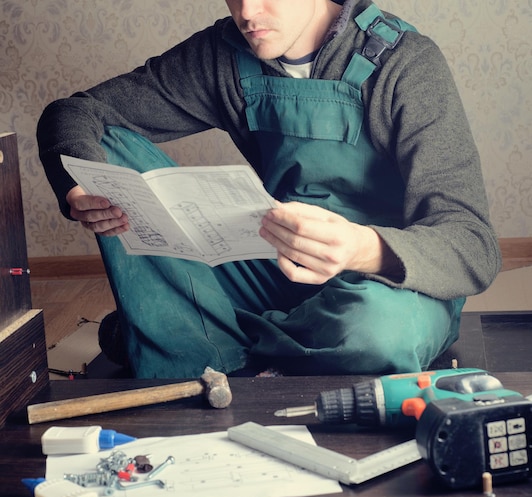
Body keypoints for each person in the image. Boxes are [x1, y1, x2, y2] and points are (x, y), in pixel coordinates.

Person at [37, 0, 501, 379]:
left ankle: (200, 338)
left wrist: (361, 248)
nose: (247, 12)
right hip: (277, 262)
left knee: (374, 333)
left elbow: (473, 246)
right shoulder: (224, 52)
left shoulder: (406, 62)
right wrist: (78, 188)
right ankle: (260, 342)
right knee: (105, 146)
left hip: (386, 286)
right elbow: (75, 113)